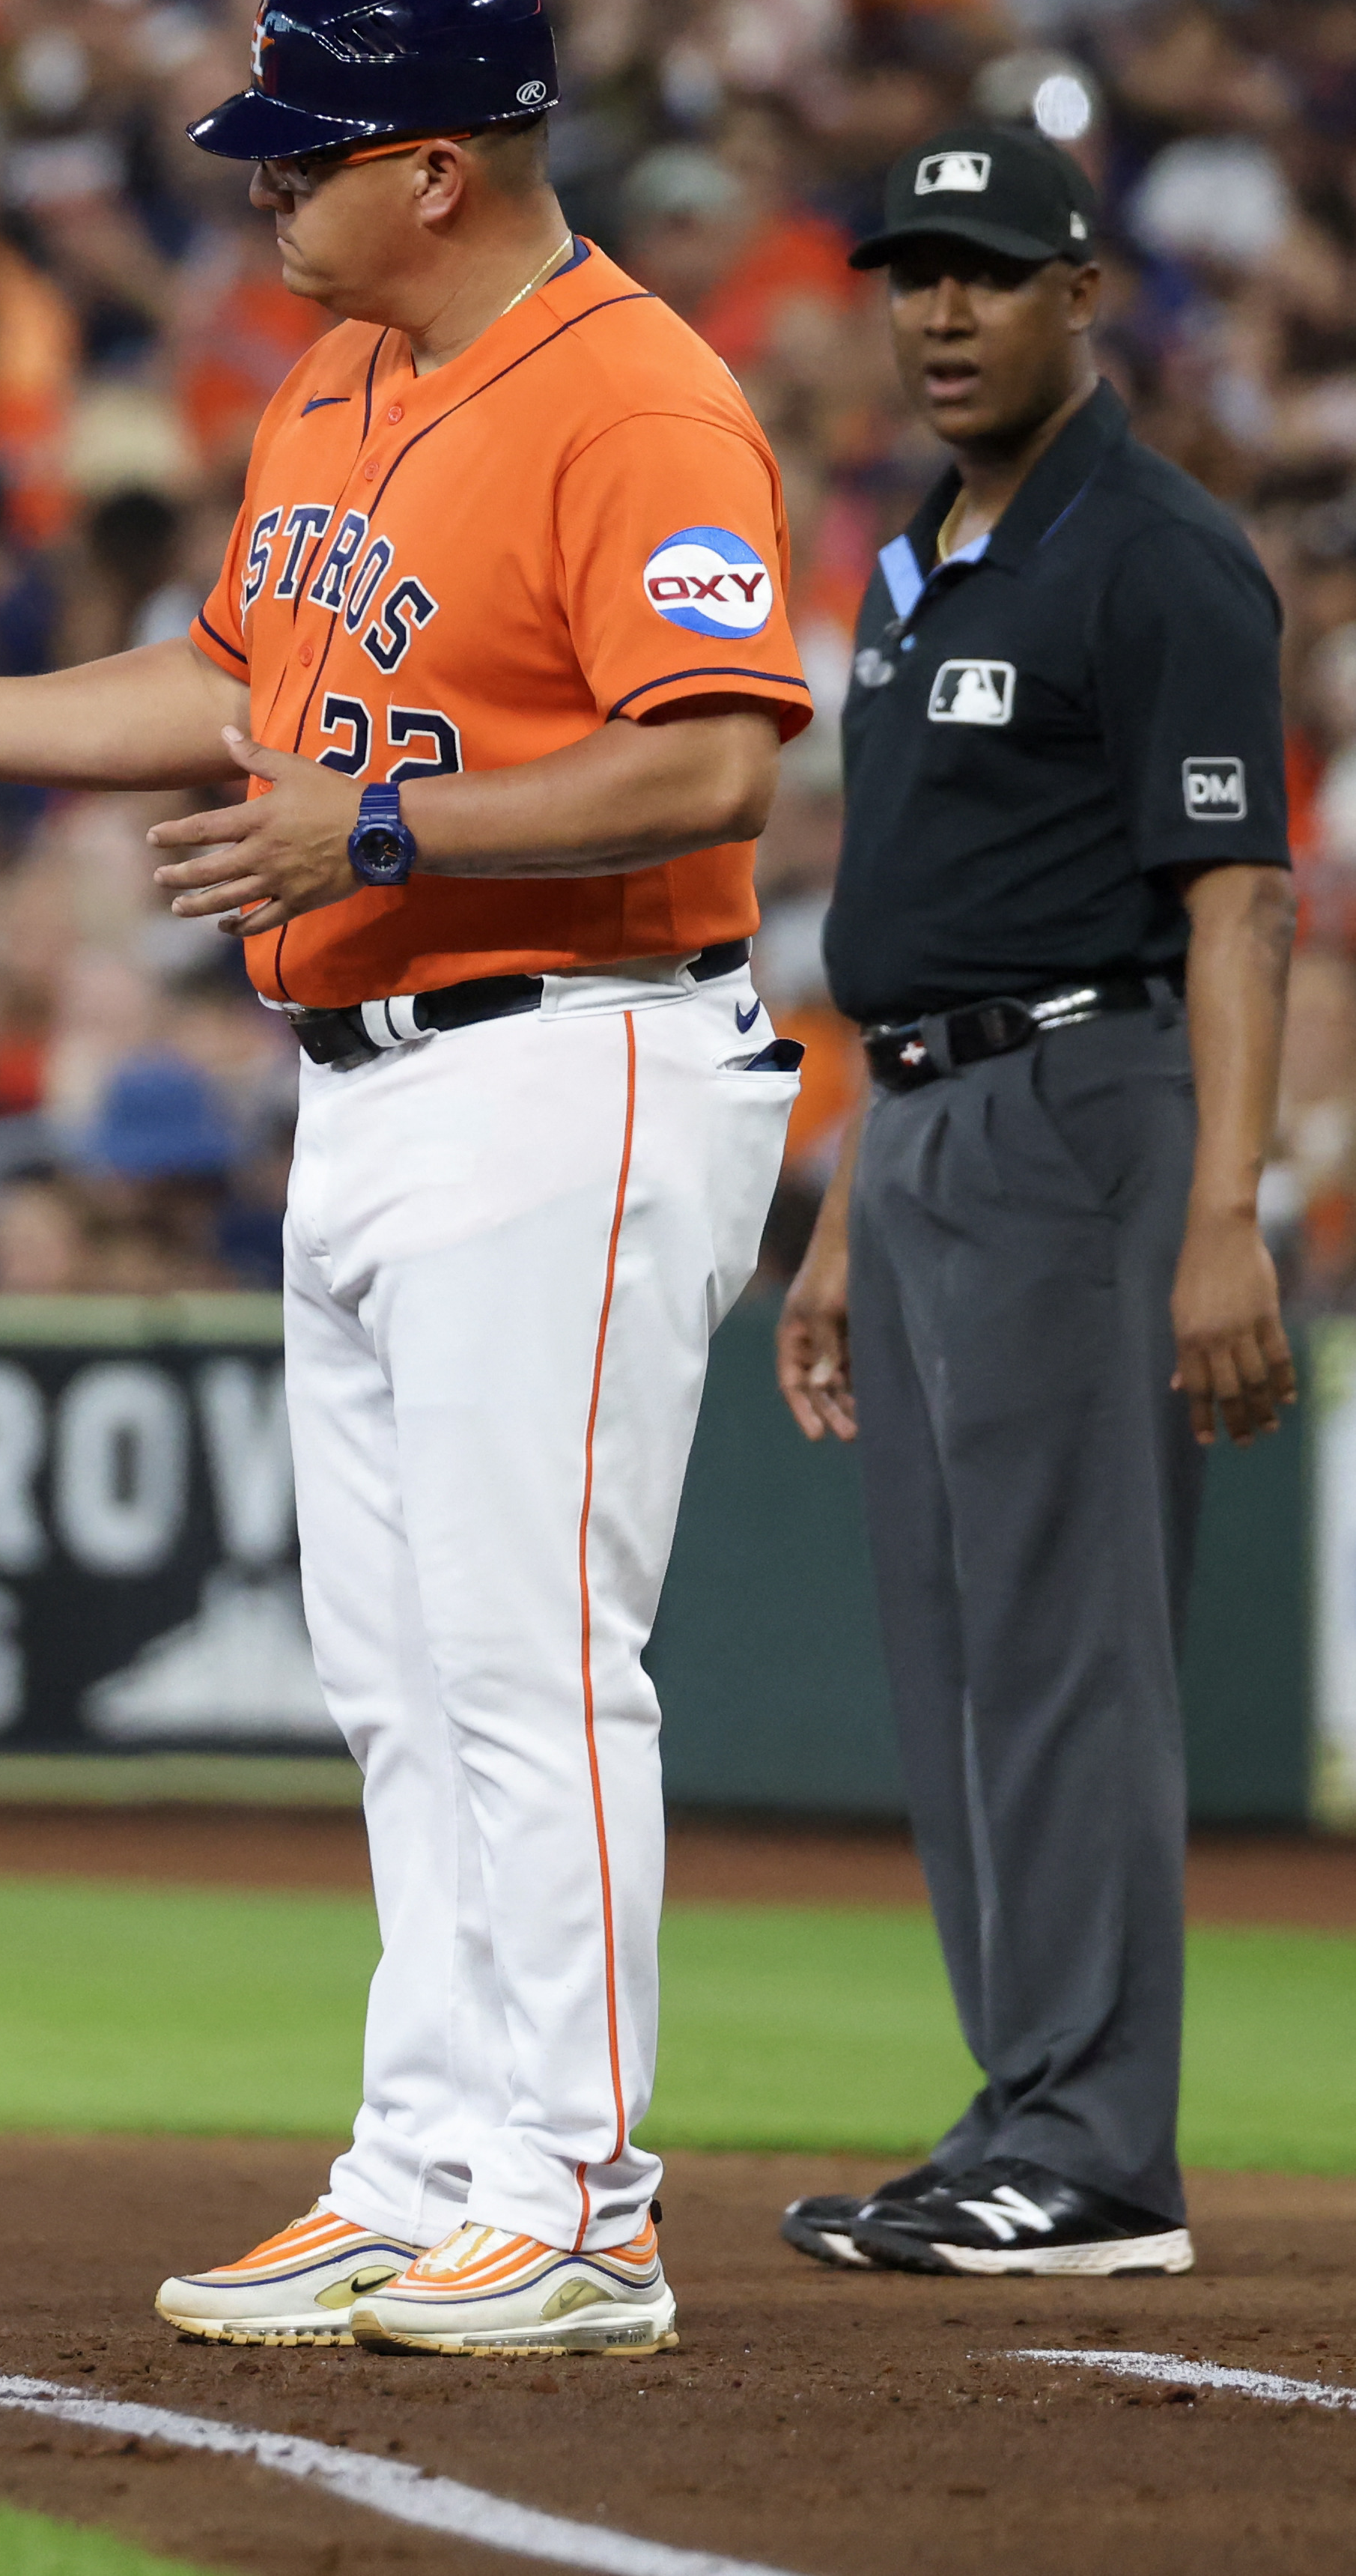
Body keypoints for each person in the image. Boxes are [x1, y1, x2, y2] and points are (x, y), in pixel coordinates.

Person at [0, 0, 809, 2359]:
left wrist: (380, 816)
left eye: (299, 150)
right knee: (397, 1679)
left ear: (430, 167)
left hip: (567, 1051)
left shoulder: (640, 403)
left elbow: (709, 758)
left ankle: (581, 2198)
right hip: (373, 1068)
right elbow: (223, 681)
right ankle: (428, 2161)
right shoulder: (339, 372)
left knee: (528, 1663)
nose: (261, 187)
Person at [770, 124, 1292, 2280]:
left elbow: (1239, 900)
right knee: (963, 1654)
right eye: (914, 273)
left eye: (987, 273)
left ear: (1083, 294)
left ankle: (1091, 2152)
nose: (942, 312)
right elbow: (902, 926)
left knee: (1068, 1651)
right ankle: (1019, 2106)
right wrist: (834, 1211)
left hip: (1088, 1113)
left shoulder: (1153, 551)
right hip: (917, 1128)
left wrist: (1220, 1217)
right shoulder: (918, 559)